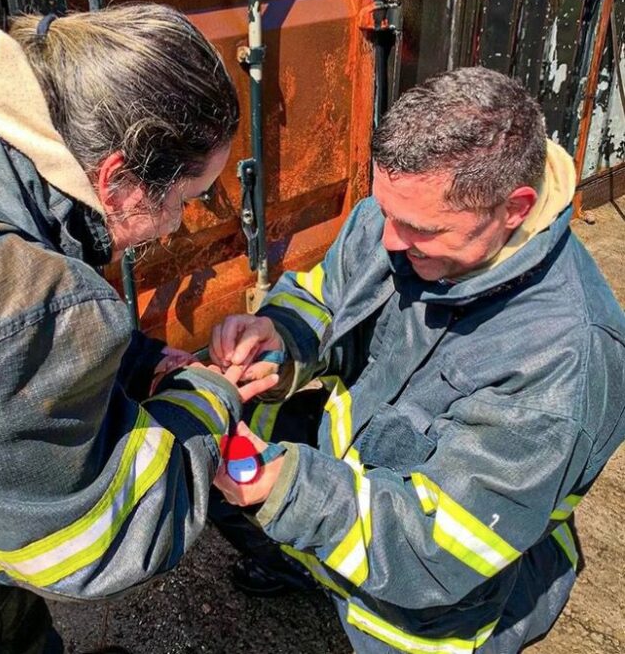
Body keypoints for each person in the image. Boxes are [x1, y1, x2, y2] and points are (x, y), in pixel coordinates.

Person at [210, 67, 625, 653]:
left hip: (439, 600)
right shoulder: (403, 220)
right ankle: (305, 565)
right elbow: (328, 298)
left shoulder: (566, 359)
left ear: (514, 208)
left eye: (420, 229)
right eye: (385, 212)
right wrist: (280, 338)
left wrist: (295, 495)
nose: (388, 241)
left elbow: (441, 551)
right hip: (353, 480)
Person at [0, 5, 276, 654]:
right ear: (118, 180)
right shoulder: (1, 296)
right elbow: (104, 534)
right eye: (185, 201)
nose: (175, 227)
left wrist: (140, 361)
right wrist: (208, 397)